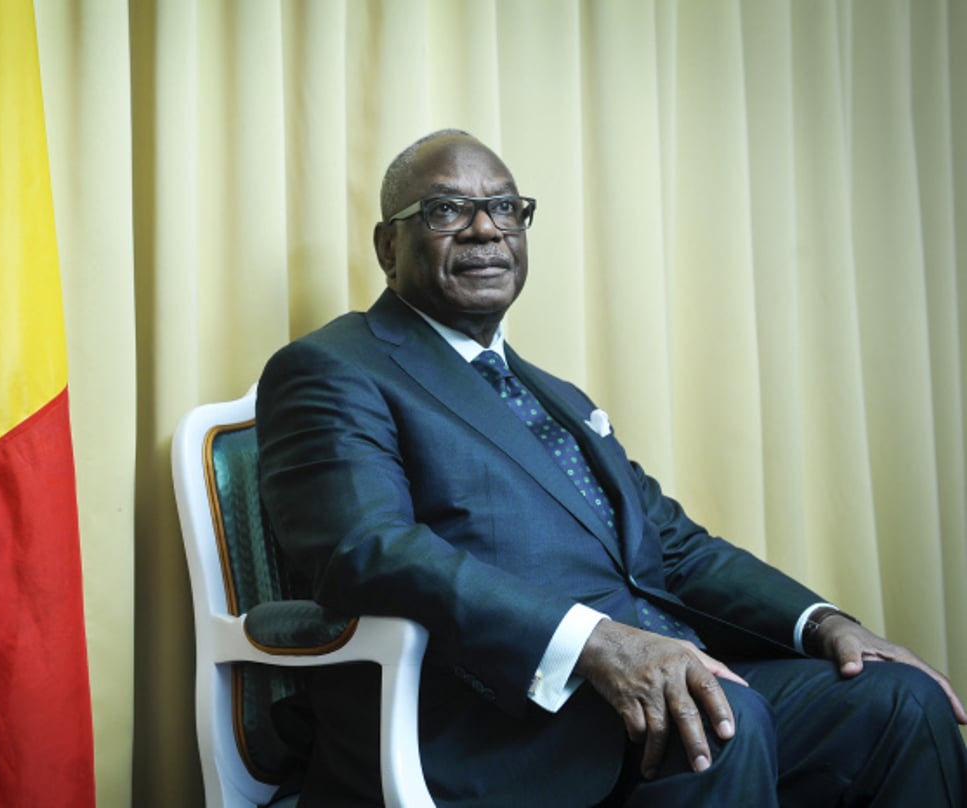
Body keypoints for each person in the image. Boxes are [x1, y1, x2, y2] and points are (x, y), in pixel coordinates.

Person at [254, 129, 967, 806]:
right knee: (713, 720)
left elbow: (676, 548)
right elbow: (367, 551)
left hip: (657, 680)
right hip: (495, 717)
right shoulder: (333, 368)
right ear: (388, 245)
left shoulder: (556, 397)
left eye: (504, 208)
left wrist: (821, 624)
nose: (484, 229)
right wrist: (595, 641)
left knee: (899, 697)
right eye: (445, 210)